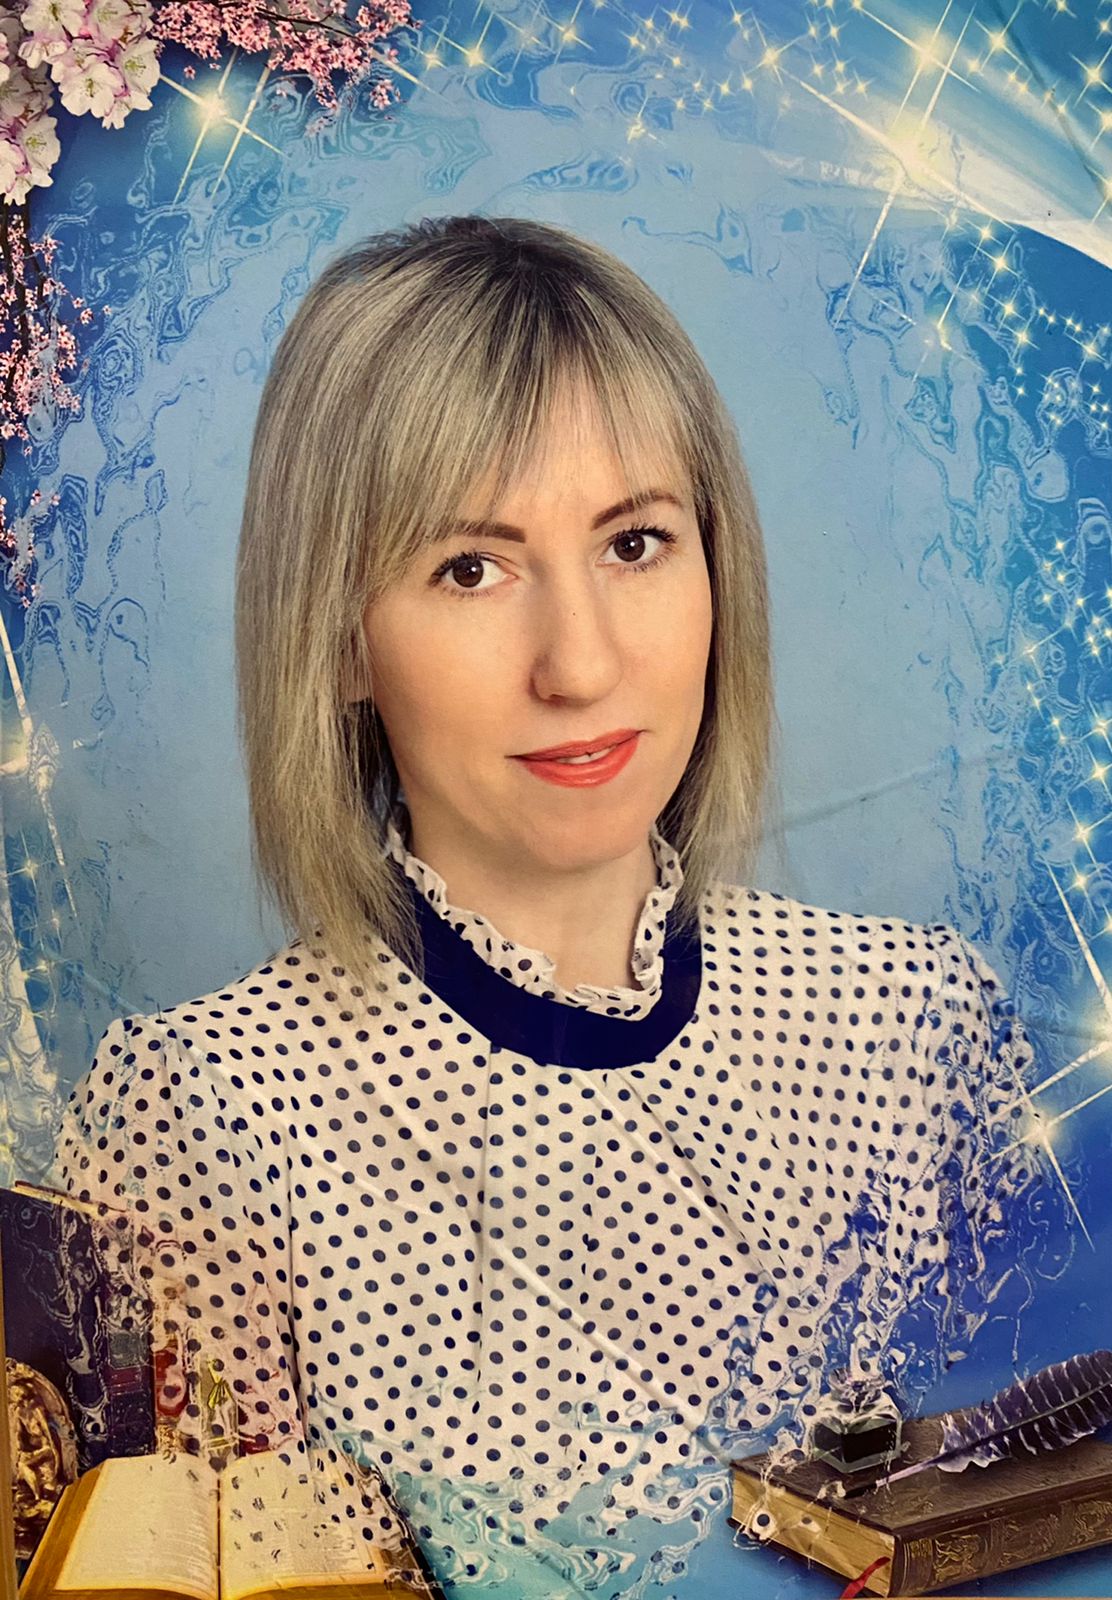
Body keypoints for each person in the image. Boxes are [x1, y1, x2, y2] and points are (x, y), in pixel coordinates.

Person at [52, 214, 1056, 1598]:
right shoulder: (206, 1121)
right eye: (470, 568)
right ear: (338, 639)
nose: (579, 665)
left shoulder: (915, 1022)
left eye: (636, 543)